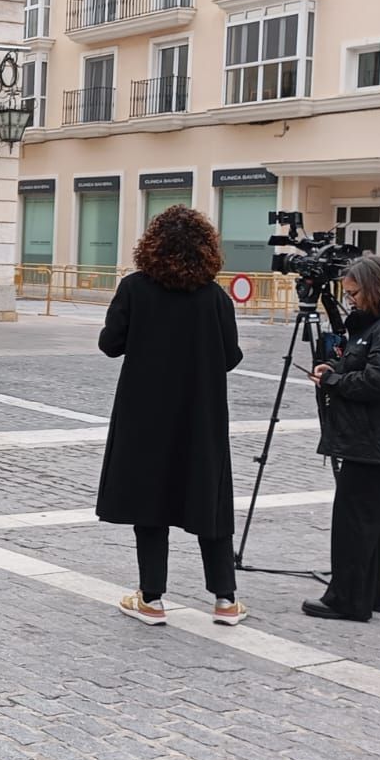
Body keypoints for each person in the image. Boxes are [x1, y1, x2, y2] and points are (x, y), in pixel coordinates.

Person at [96, 207, 247, 627]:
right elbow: (231, 356)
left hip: (145, 414)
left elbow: (110, 344)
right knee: (209, 500)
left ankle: (152, 598)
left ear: (152, 245)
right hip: (201, 413)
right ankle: (225, 600)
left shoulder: (134, 289)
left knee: (151, 502)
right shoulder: (215, 297)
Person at [306, 254, 380, 622]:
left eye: (355, 294)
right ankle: (372, 593)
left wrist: (334, 381)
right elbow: (367, 365)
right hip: (375, 438)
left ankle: (348, 599)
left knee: (354, 519)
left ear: (374, 289)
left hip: (375, 440)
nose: (351, 301)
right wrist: (337, 367)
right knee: (371, 517)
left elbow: (379, 381)